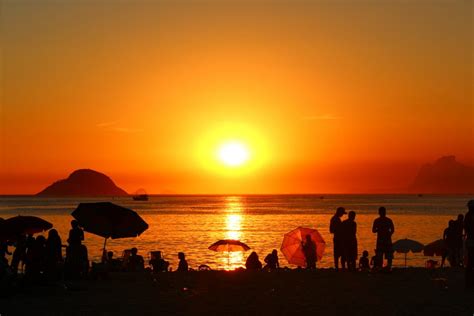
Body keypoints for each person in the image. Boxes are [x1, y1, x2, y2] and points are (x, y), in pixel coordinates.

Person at [465, 200, 474, 289]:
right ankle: (469, 283)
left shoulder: (467, 216)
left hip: (470, 241)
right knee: (471, 261)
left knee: (470, 262)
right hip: (471, 240)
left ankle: (469, 282)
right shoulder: (469, 216)